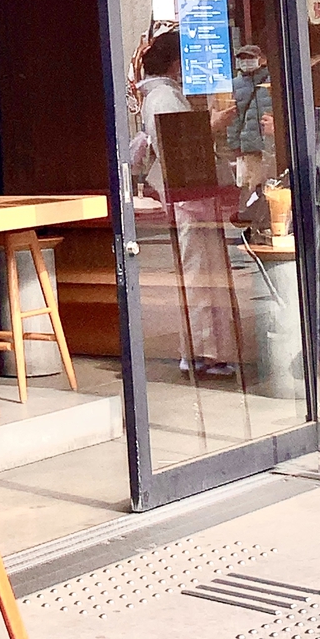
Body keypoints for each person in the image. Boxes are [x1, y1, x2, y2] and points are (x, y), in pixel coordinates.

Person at [136, 29, 238, 378]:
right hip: (188, 196)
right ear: (176, 62)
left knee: (200, 271)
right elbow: (179, 145)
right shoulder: (164, 96)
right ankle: (201, 351)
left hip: (186, 195)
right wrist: (212, 125)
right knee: (199, 273)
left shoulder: (159, 95)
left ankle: (202, 349)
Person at [226, 44, 275, 204]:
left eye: (250, 58)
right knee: (254, 185)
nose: (246, 62)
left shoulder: (272, 80)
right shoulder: (234, 85)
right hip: (250, 146)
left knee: (273, 185)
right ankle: (255, 222)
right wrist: (234, 145)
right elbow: (233, 118)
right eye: (242, 59)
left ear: (261, 59)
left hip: (272, 144)